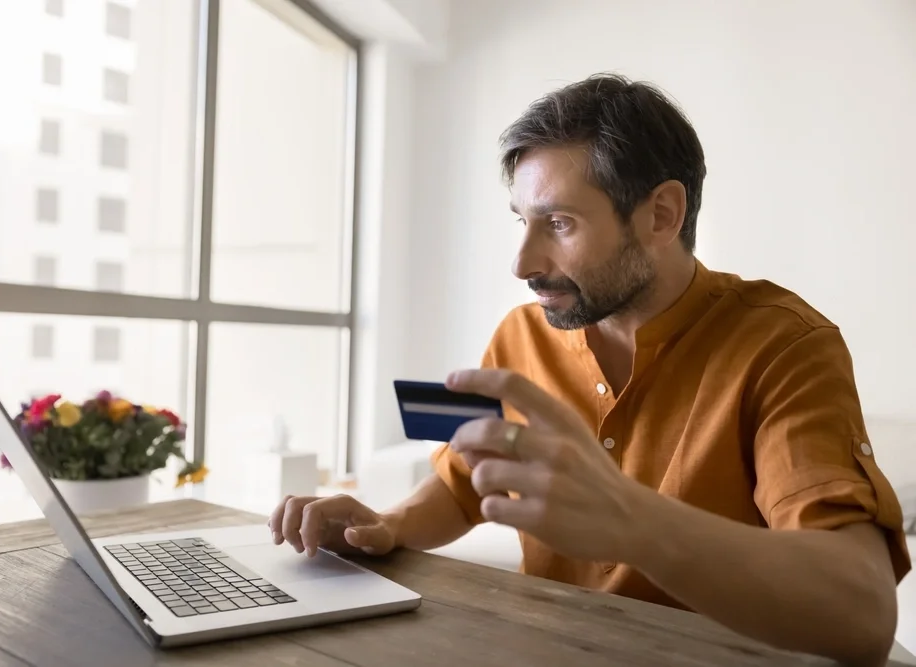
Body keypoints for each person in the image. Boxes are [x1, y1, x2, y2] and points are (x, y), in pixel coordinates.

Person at [269, 73, 911, 666]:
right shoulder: (520, 335)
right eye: (523, 221)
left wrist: (633, 520)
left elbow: (861, 613)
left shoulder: (784, 345)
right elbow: (466, 482)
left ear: (662, 214)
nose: (523, 263)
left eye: (560, 223)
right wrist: (387, 525)